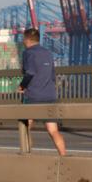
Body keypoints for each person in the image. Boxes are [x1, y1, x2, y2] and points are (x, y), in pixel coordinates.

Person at [19, 28, 67, 156]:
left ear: (27, 39)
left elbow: (29, 72)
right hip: (49, 95)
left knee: (26, 127)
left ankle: (27, 155)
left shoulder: (28, 53)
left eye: (24, 39)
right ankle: (64, 156)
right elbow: (52, 75)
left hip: (33, 96)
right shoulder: (48, 53)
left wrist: (22, 86)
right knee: (53, 129)